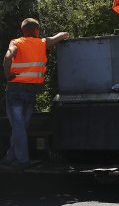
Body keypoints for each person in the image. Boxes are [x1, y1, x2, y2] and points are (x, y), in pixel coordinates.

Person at [2, 18, 69, 168]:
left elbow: (7, 57)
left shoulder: (16, 42)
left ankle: (19, 159)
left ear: (23, 31)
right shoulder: (43, 43)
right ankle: (12, 158)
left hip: (15, 90)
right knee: (20, 126)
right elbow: (61, 35)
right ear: (36, 30)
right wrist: (66, 35)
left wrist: (7, 75)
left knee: (18, 127)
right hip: (31, 91)